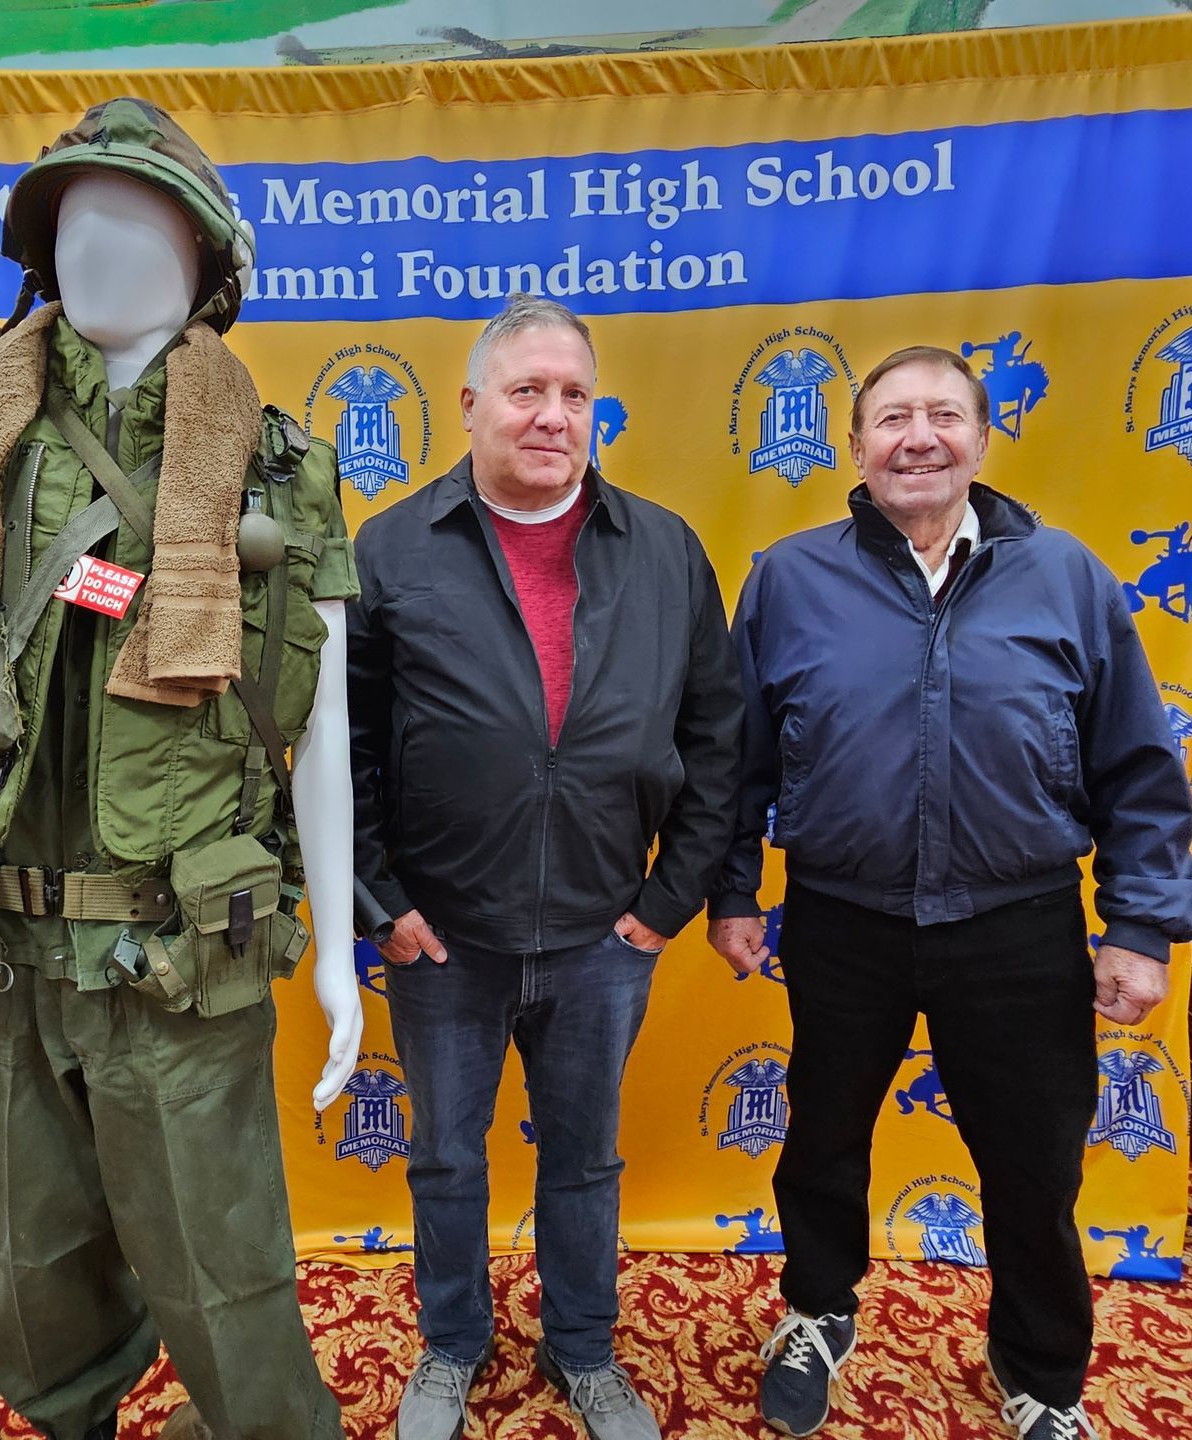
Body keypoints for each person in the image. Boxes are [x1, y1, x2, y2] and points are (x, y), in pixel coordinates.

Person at [0, 100, 362, 1440]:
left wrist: (341, 956)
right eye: (76, 222)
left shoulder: (279, 470)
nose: (101, 251)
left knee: (222, 1264)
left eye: (140, 223)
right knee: (29, 1256)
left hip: (174, 952)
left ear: (208, 268)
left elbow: (321, 727)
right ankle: (62, 1416)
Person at [707, 345, 1192, 1440]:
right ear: (855, 447)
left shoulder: (1068, 577)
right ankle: (817, 1313)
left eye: (942, 415)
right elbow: (737, 759)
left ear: (982, 438)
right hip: (841, 921)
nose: (917, 436)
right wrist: (734, 890)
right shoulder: (790, 578)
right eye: (891, 418)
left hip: (1018, 926)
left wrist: (1140, 926)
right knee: (824, 1139)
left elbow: (1135, 766)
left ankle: (1041, 1375)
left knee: (1032, 1165)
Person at [347, 294, 742, 1440]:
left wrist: (668, 904)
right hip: (443, 938)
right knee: (442, 1159)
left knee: (583, 1161)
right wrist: (386, 903)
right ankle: (453, 1344)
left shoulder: (665, 549)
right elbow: (347, 747)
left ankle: (583, 1348)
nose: (553, 416)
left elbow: (721, 735)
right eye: (527, 391)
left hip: (602, 933)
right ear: (471, 406)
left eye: (574, 395)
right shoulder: (392, 546)